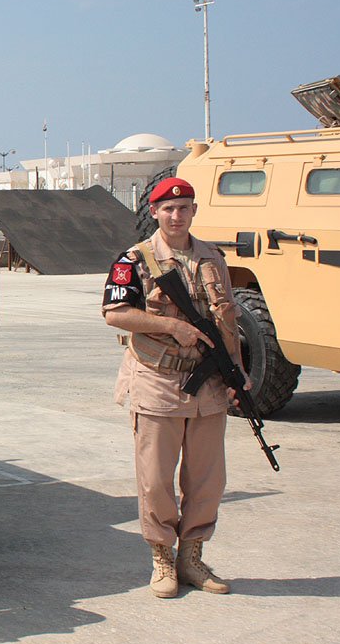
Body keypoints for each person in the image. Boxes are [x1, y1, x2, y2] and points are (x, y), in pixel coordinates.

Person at [102, 177, 248, 599]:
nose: (177, 215)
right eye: (168, 209)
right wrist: (170, 326)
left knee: (207, 479)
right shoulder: (135, 259)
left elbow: (228, 321)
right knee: (156, 480)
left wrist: (237, 373)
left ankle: (193, 557)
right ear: (155, 212)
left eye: (184, 207)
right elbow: (114, 314)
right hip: (158, 379)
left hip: (209, 384)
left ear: (194, 212)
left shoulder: (212, 258)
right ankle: (162, 558)